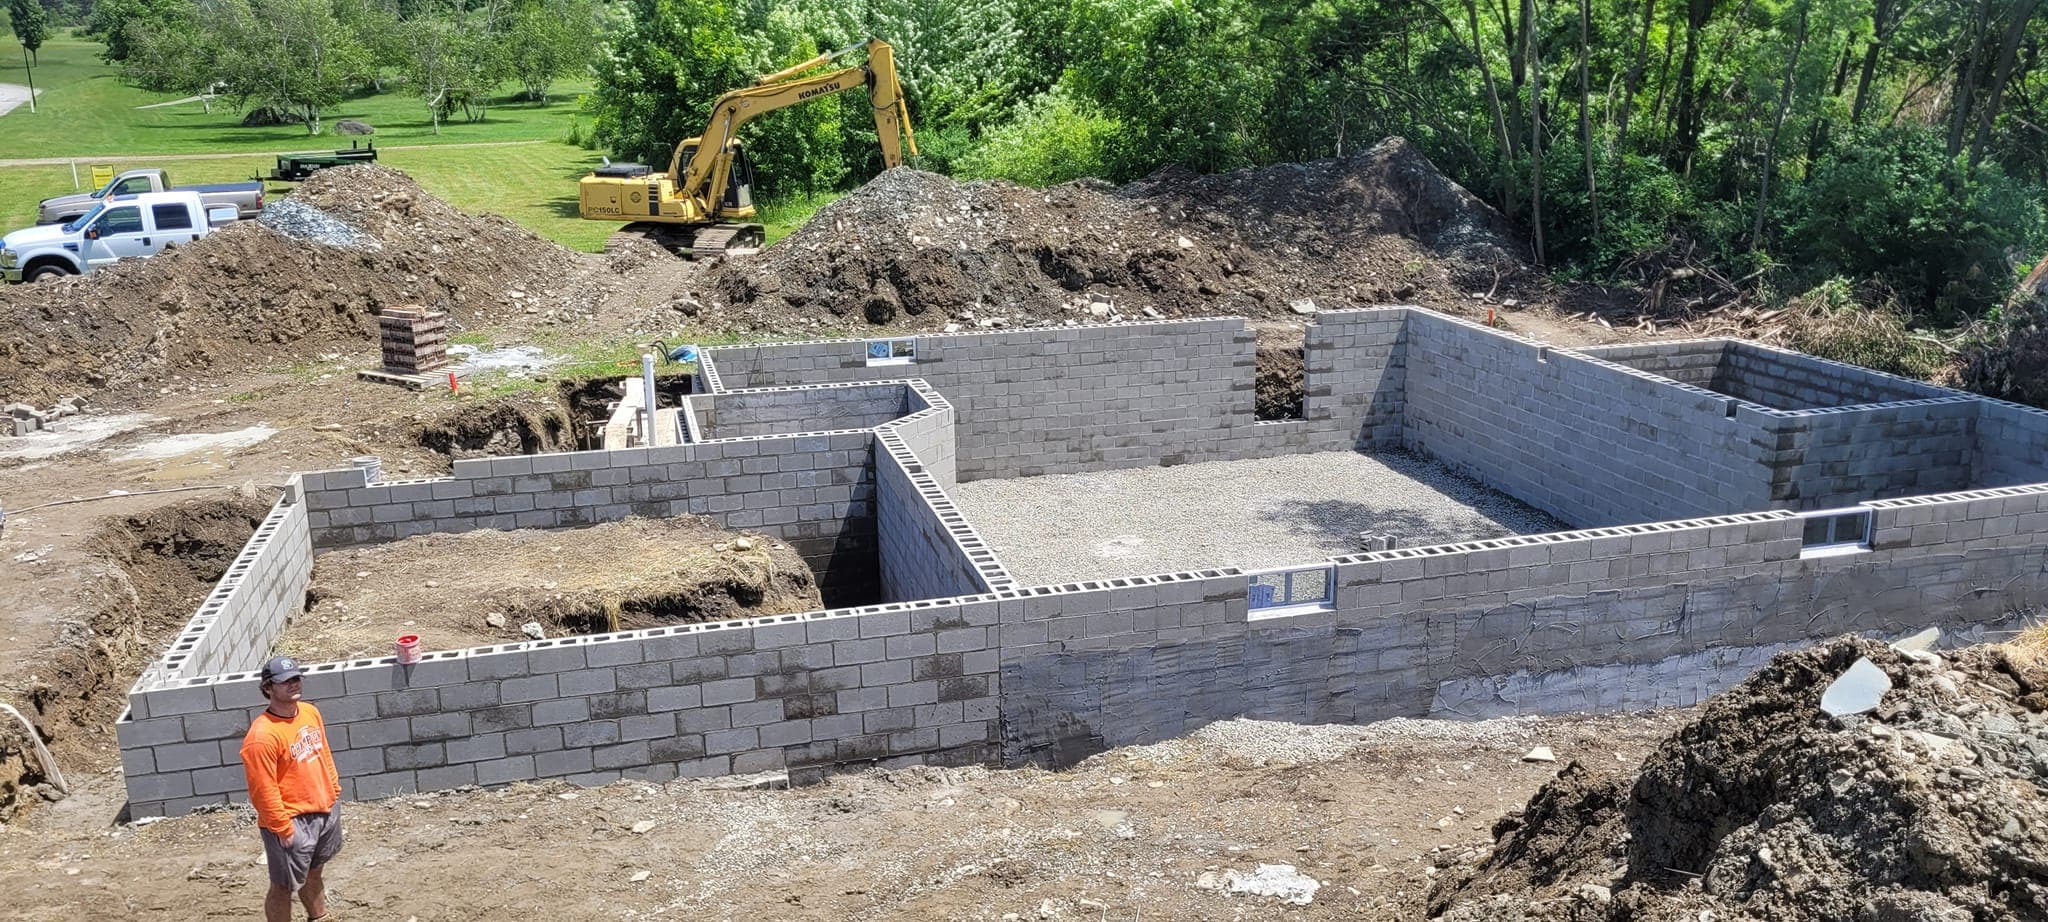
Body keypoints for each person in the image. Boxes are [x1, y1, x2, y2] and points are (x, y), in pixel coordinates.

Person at [241, 655, 344, 922]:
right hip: (292, 821)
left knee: (314, 871)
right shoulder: (262, 737)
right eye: (285, 681)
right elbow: (263, 788)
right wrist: (281, 826)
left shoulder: (310, 712)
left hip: (324, 809)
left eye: (296, 678)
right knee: (283, 886)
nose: (293, 684)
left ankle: (319, 917)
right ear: (268, 688)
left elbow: (324, 753)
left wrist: (333, 789)